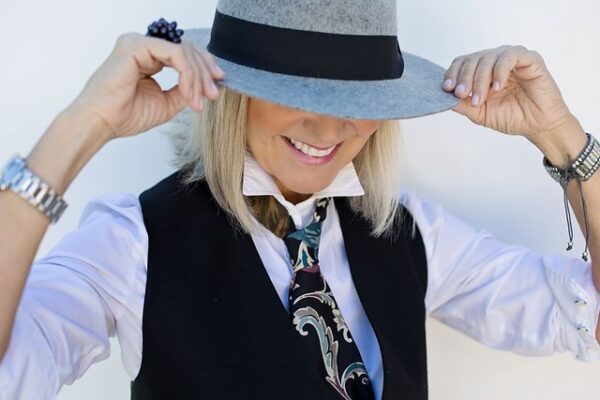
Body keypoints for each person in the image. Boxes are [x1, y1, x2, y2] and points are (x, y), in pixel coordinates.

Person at [1, 1, 599, 399]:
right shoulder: (134, 242)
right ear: (236, 90)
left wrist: (562, 137)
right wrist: (84, 124)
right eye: (297, 91)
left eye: (359, 96)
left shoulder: (406, 231)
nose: (330, 127)